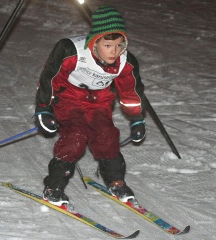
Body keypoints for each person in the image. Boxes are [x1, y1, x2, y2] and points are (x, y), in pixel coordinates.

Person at [34, 6, 146, 206]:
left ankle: (116, 181)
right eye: (108, 45)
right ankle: (54, 186)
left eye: (120, 45)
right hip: (69, 98)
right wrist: (44, 108)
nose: (115, 51)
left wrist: (137, 119)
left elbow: (131, 93)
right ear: (95, 41)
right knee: (76, 138)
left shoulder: (125, 62)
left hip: (99, 103)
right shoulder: (71, 50)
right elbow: (50, 78)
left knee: (106, 136)